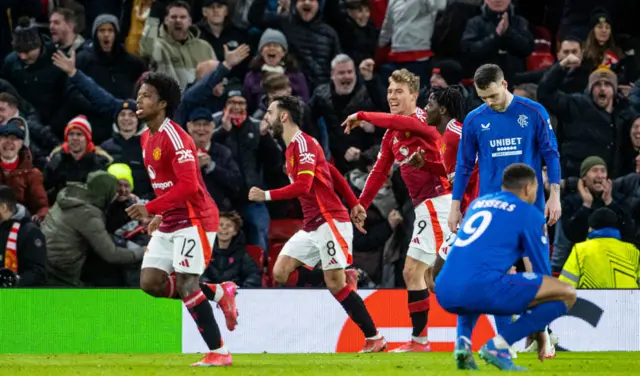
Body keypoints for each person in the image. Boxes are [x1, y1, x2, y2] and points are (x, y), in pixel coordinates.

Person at [248, 95, 387, 353]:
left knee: (335, 285)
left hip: (330, 220)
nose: (265, 117)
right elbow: (332, 171)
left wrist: (265, 195)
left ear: (283, 116)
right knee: (280, 272)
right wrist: (355, 202)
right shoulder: (294, 147)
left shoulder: (303, 144)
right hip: (313, 225)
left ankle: (374, 337)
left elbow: (303, 186)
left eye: (269, 112)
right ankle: (345, 275)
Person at [124, 72, 237, 367]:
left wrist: (151, 207)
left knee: (187, 282)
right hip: (171, 218)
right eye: (139, 94)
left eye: (146, 95)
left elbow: (189, 186)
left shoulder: (177, 138)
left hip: (195, 218)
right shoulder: (146, 137)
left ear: (162, 103)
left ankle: (220, 352)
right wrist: (160, 213)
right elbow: (165, 183)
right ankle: (220, 291)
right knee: (150, 282)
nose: (139, 99)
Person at [342, 69, 450, 352]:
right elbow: (378, 172)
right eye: (390, 91)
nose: (392, 96)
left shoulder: (424, 121)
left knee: (426, 275)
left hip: (441, 201)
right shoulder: (392, 136)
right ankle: (420, 341)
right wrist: (360, 205)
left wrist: (363, 115)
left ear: (414, 96)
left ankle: (423, 340)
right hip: (424, 207)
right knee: (416, 274)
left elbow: (393, 120)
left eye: (398, 91)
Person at [435, 163, 577, 371]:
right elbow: (541, 271)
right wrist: (537, 324)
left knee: (479, 278)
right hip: (478, 288)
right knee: (566, 293)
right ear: (528, 187)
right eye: (536, 187)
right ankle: (499, 346)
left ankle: (463, 345)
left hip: (445, 289)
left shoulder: (478, 204)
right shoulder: (528, 214)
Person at [449, 63, 562, 229]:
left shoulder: (534, 112)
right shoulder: (474, 120)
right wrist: (454, 207)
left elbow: (551, 155)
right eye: (483, 97)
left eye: (493, 96)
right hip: (491, 206)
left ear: (504, 84)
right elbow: (464, 165)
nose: (489, 102)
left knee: (532, 255)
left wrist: (554, 196)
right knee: (492, 255)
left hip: (529, 204)